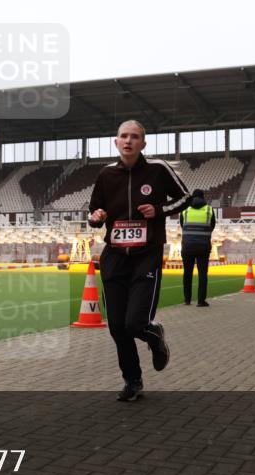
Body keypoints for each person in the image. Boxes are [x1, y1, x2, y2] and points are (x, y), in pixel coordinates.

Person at [87, 120, 190, 402]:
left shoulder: (158, 169)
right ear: (116, 142)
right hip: (115, 257)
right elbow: (94, 210)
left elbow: (185, 198)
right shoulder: (106, 175)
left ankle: (154, 336)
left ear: (143, 144)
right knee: (117, 327)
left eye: (134, 137)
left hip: (147, 255)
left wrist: (157, 210)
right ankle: (132, 380)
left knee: (135, 324)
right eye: (123, 136)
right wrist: (95, 218)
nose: (128, 140)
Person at [179, 188, 216, 307]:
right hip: (203, 247)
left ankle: (187, 300)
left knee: (187, 273)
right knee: (203, 274)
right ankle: (201, 301)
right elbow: (212, 226)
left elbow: (182, 225)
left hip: (187, 246)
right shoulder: (209, 209)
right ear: (203, 197)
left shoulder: (185, 210)